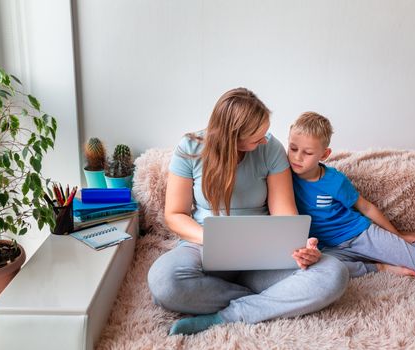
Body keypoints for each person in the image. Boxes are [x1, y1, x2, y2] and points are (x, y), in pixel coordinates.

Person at [147, 88, 349, 336]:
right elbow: (175, 215)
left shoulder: (270, 148)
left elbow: (285, 214)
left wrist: (299, 246)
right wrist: (213, 240)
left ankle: (227, 315)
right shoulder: (189, 148)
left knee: (333, 274)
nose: (265, 140)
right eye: (257, 138)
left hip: (263, 257)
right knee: (164, 283)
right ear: (233, 137)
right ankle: (274, 301)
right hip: (204, 247)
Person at [287, 112, 415, 279]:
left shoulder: (334, 180)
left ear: (324, 155)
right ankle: (378, 267)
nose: (297, 157)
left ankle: (404, 249)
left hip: (359, 235)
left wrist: (399, 236)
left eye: (307, 153)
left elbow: (366, 207)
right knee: (306, 270)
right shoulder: (283, 175)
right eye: (293, 148)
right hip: (327, 249)